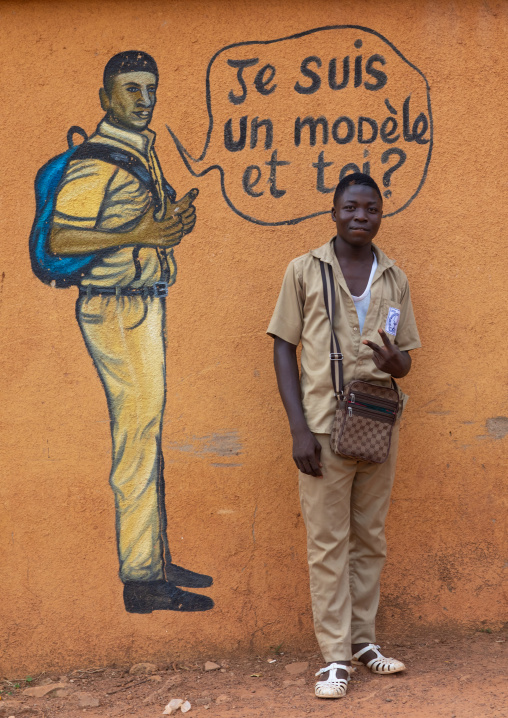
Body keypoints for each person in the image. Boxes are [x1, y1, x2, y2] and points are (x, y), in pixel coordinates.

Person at [49, 51, 214, 614]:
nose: (144, 98)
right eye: (130, 89)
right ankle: (142, 579)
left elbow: (136, 228)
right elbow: (61, 240)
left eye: (151, 87)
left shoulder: (138, 150)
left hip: (140, 305)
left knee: (146, 436)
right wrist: (143, 230)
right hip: (116, 309)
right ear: (106, 98)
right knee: (137, 441)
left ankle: (154, 557)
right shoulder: (96, 163)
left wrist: (168, 228)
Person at [267, 173, 421, 698]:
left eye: (371, 209)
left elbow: (405, 360)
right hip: (323, 428)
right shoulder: (304, 271)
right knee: (328, 543)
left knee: (369, 538)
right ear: (333, 212)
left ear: (382, 214)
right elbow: (283, 348)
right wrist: (298, 429)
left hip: (377, 425)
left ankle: (364, 642)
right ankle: (334, 657)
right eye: (351, 208)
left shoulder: (395, 276)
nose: (361, 217)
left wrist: (397, 362)